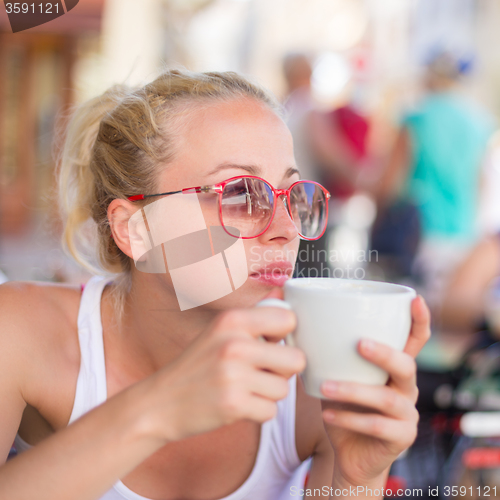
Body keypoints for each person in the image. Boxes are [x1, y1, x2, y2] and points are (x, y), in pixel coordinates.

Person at [0, 69, 430, 500]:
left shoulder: (318, 380)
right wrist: (159, 409)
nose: (285, 230)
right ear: (136, 230)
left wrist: (358, 481)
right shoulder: (22, 332)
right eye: (241, 195)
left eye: (292, 195)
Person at [374, 53, 493, 304]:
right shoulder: (479, 122)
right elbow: (482, 184)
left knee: (417, 313)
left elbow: (390, 184)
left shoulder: (416, 118)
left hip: (420, 235)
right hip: (464, 234)